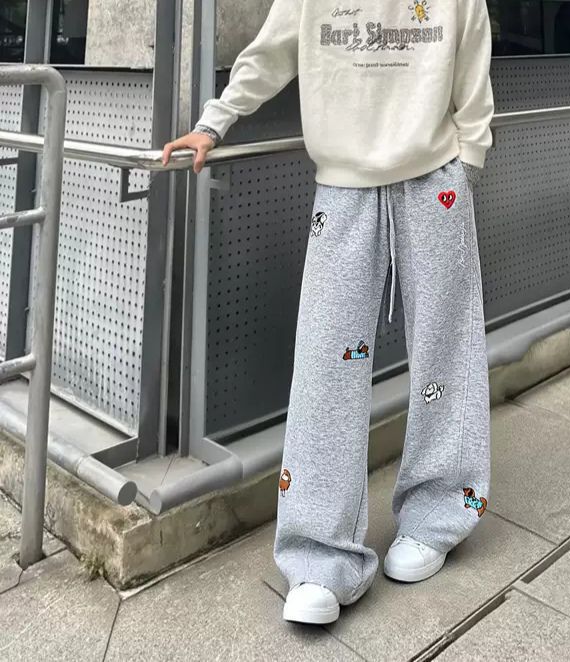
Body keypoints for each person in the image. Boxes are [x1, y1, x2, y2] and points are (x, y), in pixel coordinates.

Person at [163, 0, 494, 626]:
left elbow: (472, 57)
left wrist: (471, 157)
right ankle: (319, 554)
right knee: (324, 368)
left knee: (447, 351)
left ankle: (440, 514)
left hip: (436, 180)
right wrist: (214, 123)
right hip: (342, 185)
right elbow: (270, 53)